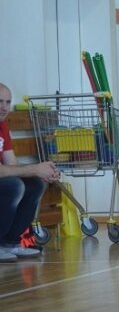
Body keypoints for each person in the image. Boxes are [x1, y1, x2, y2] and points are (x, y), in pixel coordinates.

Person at [0, 83, 57, 262]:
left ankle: (10, 243)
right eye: (0, 101)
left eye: (8, 102)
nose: (4, 107)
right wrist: (34, 168)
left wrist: (42, 172)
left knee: (34, 184)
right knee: (14, 186)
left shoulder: (3, 126)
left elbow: (12, 164)